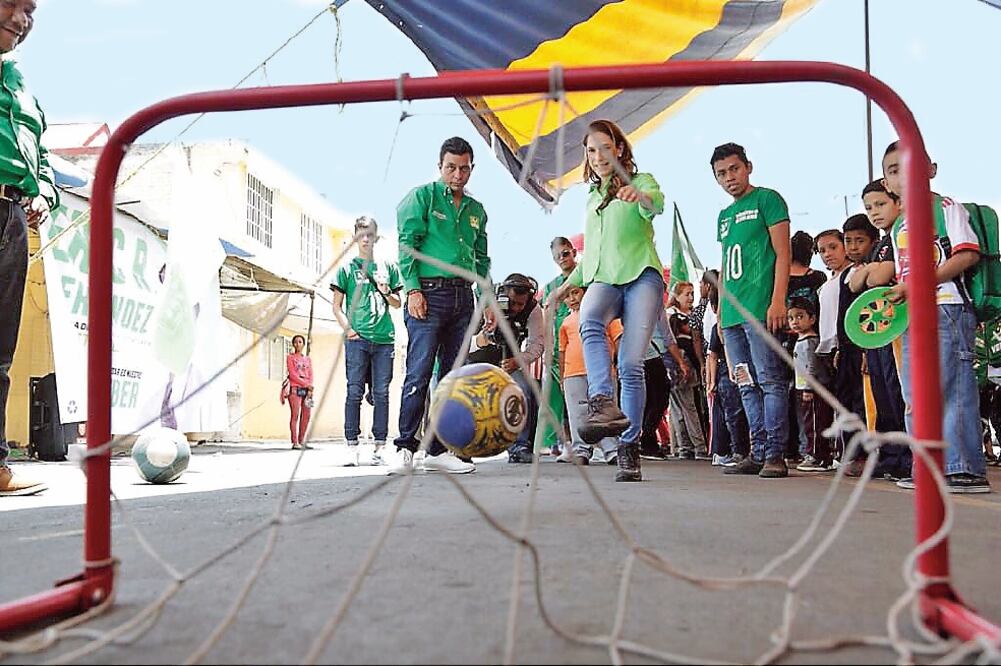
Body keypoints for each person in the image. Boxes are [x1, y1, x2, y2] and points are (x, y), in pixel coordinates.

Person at [871, 141, 989, 493]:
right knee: (915, 391)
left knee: (952, 388)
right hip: (913, 315)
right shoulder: (898, 225)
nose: (902, 175)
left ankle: (963, 468)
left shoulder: (946, 207)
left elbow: (967, 254)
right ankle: (927, 464)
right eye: (894, 170)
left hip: (948, 307)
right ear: (887, 181)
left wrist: (919, 282)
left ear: (930, 170)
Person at [553, 119, 667, 483]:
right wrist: (559, 289)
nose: (598, 156)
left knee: (632, 365)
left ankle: (629, 448)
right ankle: (603, 400)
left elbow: (657, 204)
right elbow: (590, 259)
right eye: (590, 150)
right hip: (604, 280)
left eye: (604, 147)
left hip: (640, 276)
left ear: (618, 148)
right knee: (589, 317)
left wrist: (640, 196)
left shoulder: (641, 180)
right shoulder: (591, 198)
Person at [393, 136, 491, 475]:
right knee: (419, 372)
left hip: (464, 298)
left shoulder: (477, 211)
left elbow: (482, 259)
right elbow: (407, 245)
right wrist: (412, 289)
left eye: (464, 169)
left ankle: (438, 450)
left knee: (453, 378)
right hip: (428, 295)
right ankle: (405, 447)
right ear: (440, 166)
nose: (457, 175)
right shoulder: (421, 197)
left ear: (471, 169)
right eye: (451, 168)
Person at [1, 0, 56, 497]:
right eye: (11, 4)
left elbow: (43, 159)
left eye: (30, 10)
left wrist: (42, 192)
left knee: (1, 349)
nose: (22, 19)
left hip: (11, 218)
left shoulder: (23, 88)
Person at [711, 143, 791, 479]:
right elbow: (727, 266)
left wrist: (777, 300)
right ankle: (756, 451)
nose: (729, 178)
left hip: (760, 309)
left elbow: (783, 254)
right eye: (721, 174)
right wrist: (719, 315)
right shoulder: (724, 216)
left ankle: (775, 453)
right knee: (744, 383)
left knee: (770, 380)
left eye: (734, 169)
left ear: (748, 167)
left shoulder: (767, 200)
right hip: (729, 316)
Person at [331, 216, 402, 466]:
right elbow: (337, 306)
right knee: (354, 392)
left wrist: (386, 291)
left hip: (384, 340)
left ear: (376, 237)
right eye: (361, 234)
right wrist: (348, 330)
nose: (365, 239)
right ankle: (352, 445)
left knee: (381, 393)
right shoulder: (346, 269)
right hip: (357, 340)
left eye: (369, 234)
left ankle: (379, 447)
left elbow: (397, 303)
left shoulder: (388, 267)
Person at [851, 179, 909, 479]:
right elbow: (856, 283)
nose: (874, 212)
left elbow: (876, 278)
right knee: (882, 395)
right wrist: (868, 273)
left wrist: (869, 273)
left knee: (901, 393)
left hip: (899, 330)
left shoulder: (901, 235)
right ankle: (890, 458)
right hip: (878, 333)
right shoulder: (882, 244)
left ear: (898, 200)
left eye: (880, 204)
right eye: (868, 207)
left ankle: (907, 458)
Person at [468, 273, 544, 463]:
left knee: (527, 390)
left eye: (521, 304)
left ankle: (520, 445)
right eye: (512, 303)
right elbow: (460, 344)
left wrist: (519, 360)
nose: (517, 308)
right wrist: (482, 339)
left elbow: (538, 344)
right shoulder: (484, 303)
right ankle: (466, 446)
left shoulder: (533, 309)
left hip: (510, 361)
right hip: (477, 360)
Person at [558, 284, 621, 464]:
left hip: (602, 373)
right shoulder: (565, 322)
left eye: (575, 292)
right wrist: (563, 377)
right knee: (577, 412)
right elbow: (562, 350)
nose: (572, 298)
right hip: (572, 373)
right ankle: (581, 449)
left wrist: (619, 365)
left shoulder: (604, 314)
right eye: (567, 296)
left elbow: (617, 340)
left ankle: (611, 449)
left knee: (605, 409)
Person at [787, 298, 836, 472]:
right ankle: (813, 453)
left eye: (800, 317)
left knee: (816, 423)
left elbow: (812, 366)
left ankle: (818, 457)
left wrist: (809, 387)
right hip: (803, 388)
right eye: (791, 318)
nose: (795, 322)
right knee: (809, 422)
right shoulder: (800, 341)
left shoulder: (810, 342)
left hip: (814, 389)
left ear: (812, 319)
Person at [539, 237, 578, 455]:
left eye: (565, 253)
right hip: (558, 349)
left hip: (582, 345)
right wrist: (547, 350)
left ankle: (585, 441)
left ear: (573, 252)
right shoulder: (551, 287)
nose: (562, 259)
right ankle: (561, 442)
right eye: (557, 257)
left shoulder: (586, 277)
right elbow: (547, 319)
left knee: (579, 397)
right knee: (556, 397)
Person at [667, 281, 708, 460]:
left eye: (692, 294)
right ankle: (696, 446)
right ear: (676, 297)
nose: (691, 298)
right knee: (685, 406)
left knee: (683, 406)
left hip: (688, 361)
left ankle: (686, 446)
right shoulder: (671, 314)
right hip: (680, 360)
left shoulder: (691, 314)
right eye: (687, 294)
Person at [286, 335, 314, 450]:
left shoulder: (307, 359)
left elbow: (311, 374)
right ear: (293, 344)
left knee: (306, 415)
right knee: (295, 415)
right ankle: (295, 441)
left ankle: (302, 440)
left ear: (303, 344)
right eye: (296, 342)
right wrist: (305, 384)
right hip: (295, 389)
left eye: (300, 342)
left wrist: (310, 387)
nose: (298, 344)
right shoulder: (290, 357)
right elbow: (293, 374)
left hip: (307, 390)